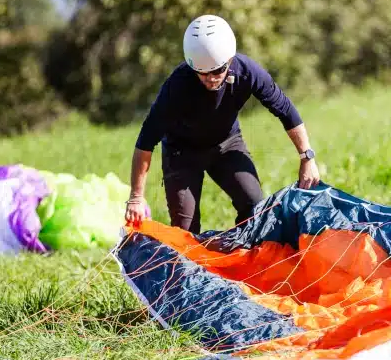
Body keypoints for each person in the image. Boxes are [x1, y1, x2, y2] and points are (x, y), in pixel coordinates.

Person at [124, 14, 321, 233]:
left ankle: (247, 260)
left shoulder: (247, 72)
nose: (211, 78)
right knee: (185, 230)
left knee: (255, 207)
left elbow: (285, 109)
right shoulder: (177, 86)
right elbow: (146, 140)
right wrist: (136, 197)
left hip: (227, 144)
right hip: (182, 154)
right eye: (202, 72)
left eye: (218, 70)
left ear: (229, 60)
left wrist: (307, 157)